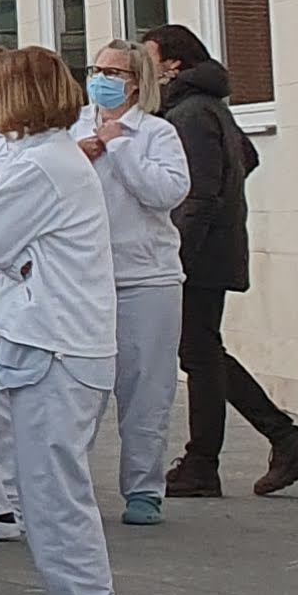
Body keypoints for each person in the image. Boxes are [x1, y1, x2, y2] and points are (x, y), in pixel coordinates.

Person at [0, 47, 135, 595]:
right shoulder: (55, 159)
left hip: (53, 343)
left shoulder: (39, 166)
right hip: (62, 338)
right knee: (52, 489)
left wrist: (3, 255)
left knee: (53, 492)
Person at [150, 24, 298, 498]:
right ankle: (279, 441)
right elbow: (244, 156)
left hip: (198, 255)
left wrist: (181, 253)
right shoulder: (208, 107)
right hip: (213, 249)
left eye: (150, 58)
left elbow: (199, 191)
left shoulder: (189, 113)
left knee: (200, 354)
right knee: (203, 352)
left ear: (172, 63)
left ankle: (211, 461)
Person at [78, 37, 193, 524]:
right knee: (80, 388)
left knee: (147, 386)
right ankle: (70, 488)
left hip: (148, 277)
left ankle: (144, 488)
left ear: (136, 82)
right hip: (84, 278)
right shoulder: (71, 130)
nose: (103, 80)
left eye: (115, 73)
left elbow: (165, 192)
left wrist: (118, 144)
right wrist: (80, 155)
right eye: (97, 70)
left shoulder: (156, 133)